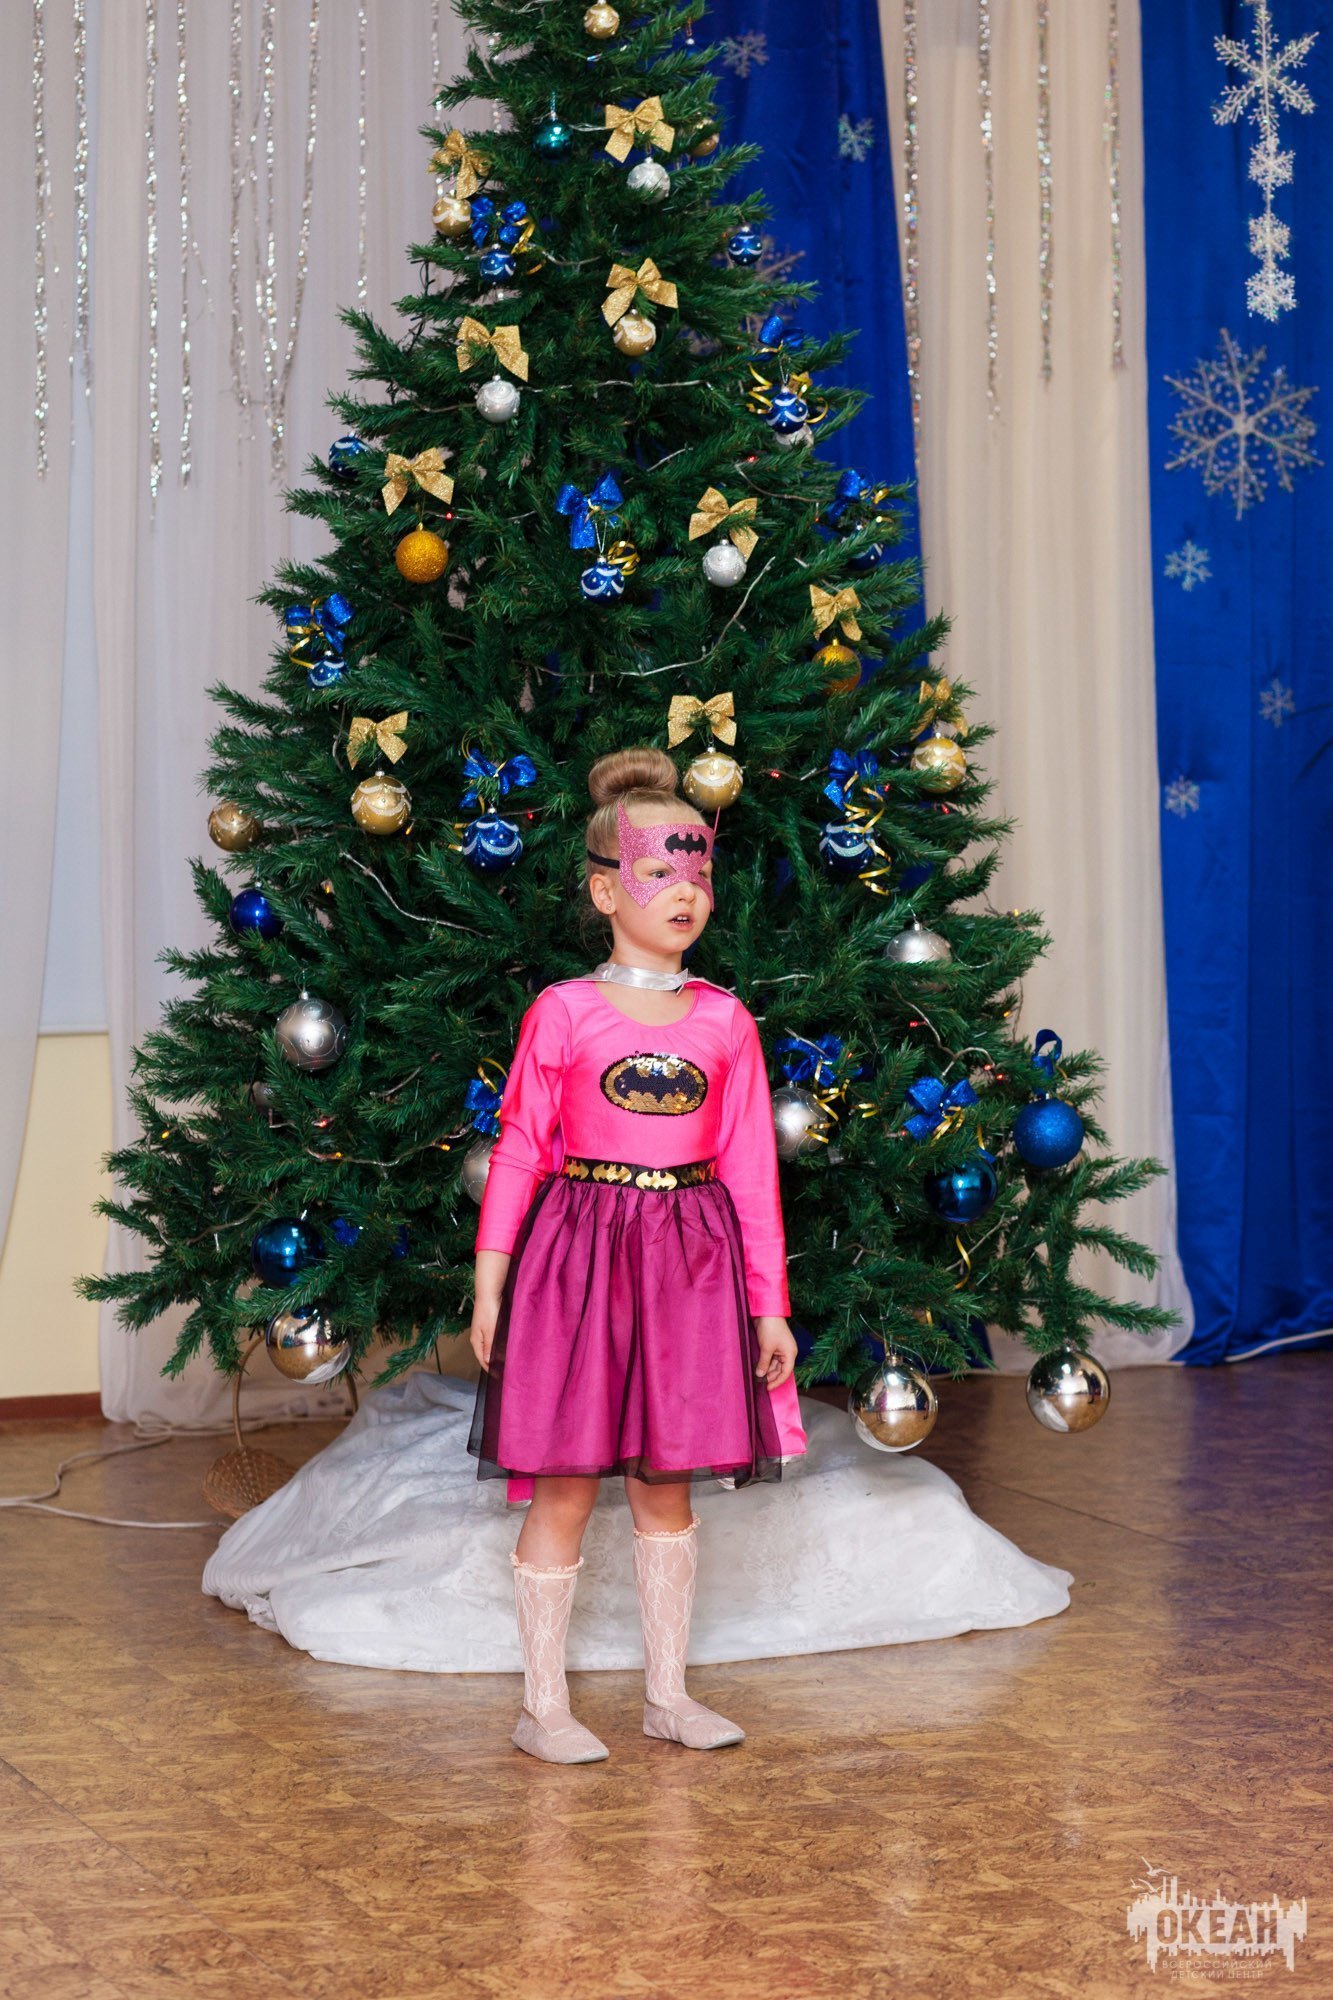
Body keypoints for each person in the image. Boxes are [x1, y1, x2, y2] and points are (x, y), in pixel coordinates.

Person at [468, 745, 808, 1764]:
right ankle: (543, 1707)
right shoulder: (563, 1011)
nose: (684, 891)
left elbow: (750, 1170)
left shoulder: (726, 1021)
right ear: (606, 889)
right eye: (658, 871)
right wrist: (489, 1285)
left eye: (697, 871)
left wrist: (768, 1306)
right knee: (567, 1481)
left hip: (689, 1267)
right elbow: (520, 1149)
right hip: (576, 1264)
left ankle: (667, 1695)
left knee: (667, 1483)